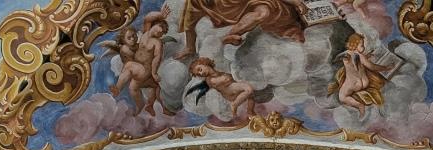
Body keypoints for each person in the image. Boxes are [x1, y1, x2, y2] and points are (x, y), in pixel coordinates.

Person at [175, 0, 309, 58]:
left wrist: (295, 2)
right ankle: (228, 37)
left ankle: (229, 36)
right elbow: (189, 24)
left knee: (265, 13)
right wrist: (190, 47)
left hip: (254, 4)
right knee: (264, 14)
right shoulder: (196, 2)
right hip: (236, 11)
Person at [110, 8, 172, 116]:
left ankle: (118, 88)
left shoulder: (157, 42)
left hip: (145, 70)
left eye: (162, 33)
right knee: (133, 89)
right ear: (155, 24)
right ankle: (143, 106)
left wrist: (154, 73)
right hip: (138, 70)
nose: (161, 32)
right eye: (161, 28)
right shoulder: (145, 33)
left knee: (129, 66)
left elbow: (157, 58)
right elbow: (148, 18)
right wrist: (160, 15)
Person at [330, 33, 391, 118]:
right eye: (362, 45)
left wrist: (336, 59)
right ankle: (363, 103)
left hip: (353, 84)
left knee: (342, 96)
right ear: (354, 45)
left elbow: (340, 57)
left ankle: (359, 105)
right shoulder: (361, 56)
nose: (364, 47)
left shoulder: (347, 55)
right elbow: (372, 67)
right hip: (365, 82)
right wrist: (385, 68)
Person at [187, 57, 256, 118]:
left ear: (204, 63)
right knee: (248, 89)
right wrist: (231, 76)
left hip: (232, 88)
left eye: (200, 69)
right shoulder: (210, 79)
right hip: (229, 92)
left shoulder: (218, 73)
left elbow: (229, 78)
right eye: (199, 74)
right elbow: (226, 79)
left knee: (251, 94)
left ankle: (250, 111)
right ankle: (234, 104)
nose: (201, 73)